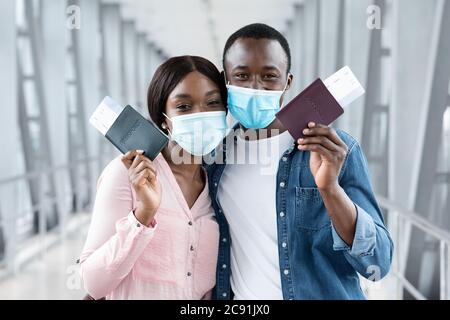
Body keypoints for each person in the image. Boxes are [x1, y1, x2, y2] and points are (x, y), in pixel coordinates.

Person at [207, 23, 394, 300]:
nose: (255, 87)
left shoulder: (335, 149)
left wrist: (330, 189)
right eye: (242, 75)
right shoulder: (214, 159)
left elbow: (378, 262)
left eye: (269, 76)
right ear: (225, 80)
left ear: (288, 82)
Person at [79, 56, 228, 299]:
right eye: (183, 106)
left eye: (212, 102)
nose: (201, 114)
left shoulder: (218, 185)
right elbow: (93, 283)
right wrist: (143, 214)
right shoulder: (127, 173)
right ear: (163, 118)